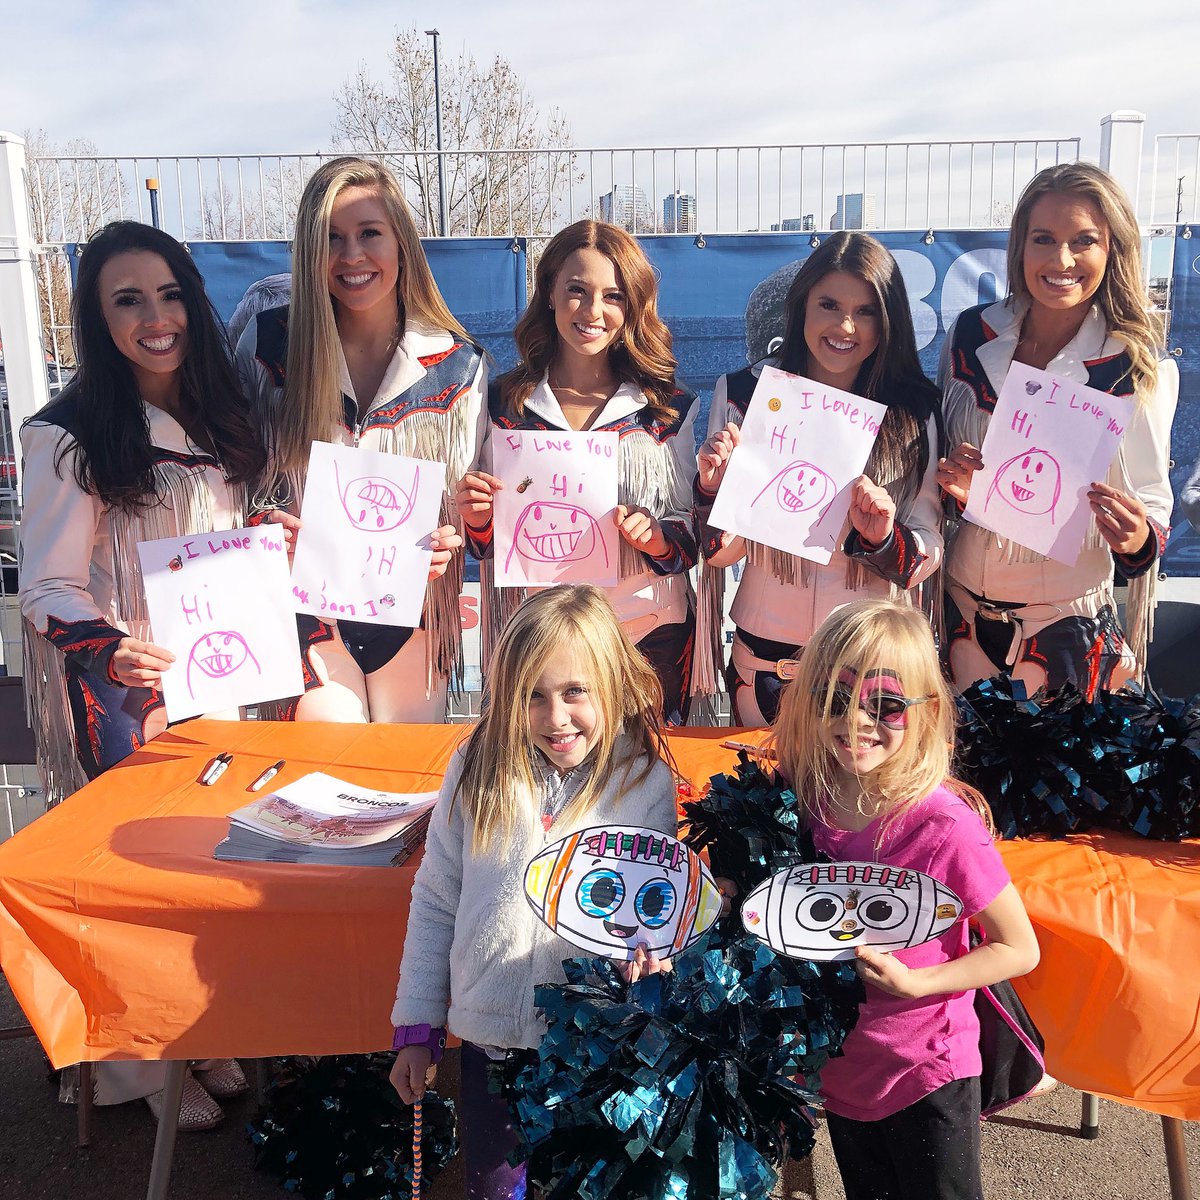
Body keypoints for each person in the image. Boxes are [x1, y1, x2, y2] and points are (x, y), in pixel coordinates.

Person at [18, 220, 258, 1127]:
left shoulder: (218, 412)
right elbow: (46, 582)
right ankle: (135, 1068)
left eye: (168, 295)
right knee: (134, 878)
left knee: (207, 868)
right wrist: (110, 649)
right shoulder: (67, 434)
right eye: (127, 300)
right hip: (126, 687)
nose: (155, 318)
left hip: (219, 677)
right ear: (95, 316)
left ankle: (193, 1036)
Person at [388, 584, 679, 1200]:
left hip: (590, 1045)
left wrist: (649, 957)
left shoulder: (644, 779)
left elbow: (653, 909)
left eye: (576, 692)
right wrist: (418, 1023)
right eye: (534, 696)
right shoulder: (476, 763)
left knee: (590, 1184)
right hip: (488, 1038)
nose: (556, 718)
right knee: (495, 1189)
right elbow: (437, 895)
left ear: (612, 685)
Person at [771, 599, 1040, 1200]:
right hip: (841, 1067)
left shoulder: (943, 825)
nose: (856, 722)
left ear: (926, 710)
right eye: (834, 700)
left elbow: (1019, 948)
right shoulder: (799, 804)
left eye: (884, 704)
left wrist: (920, 983)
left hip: (926, 1068)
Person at [236, 156, 485, 722]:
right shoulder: (269, 344)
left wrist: (454, 537)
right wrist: (263, 526)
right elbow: (234, 475)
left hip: (413, 609)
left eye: (369, 233)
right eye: (331, 239)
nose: (351, 257)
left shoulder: (460, 363)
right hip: (306, 609)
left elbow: (469, 506)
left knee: (408, 779)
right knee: (325, 753)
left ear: (401, 242)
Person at [937, 162, 1178, 697]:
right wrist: (954, 483)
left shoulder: (1137, 363)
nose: (1061, 260)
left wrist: (1136, 537)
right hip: (958, 611)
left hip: (1066, 625)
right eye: (1043, 239)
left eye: (1083, 241)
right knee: (963, 778)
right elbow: (943, 465)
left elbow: (1153, 508)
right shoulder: (971, 333)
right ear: (1020, 245)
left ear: (1112, 248)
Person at [453, 219, 700, 724]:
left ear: (633, 305)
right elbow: (480, 540)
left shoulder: (669, 408)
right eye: (577, 291)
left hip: (646, 632)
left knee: (645, 785)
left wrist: (656, 538)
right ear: (548, 294)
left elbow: (695, 536)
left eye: (613, 296)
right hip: (542, 635)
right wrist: (476, 515)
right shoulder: (501, 400)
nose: (593, 312)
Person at [694, 232, 943, 726]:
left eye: (866, 310)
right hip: (766, 659)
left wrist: (883, 539)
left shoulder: (915, 407)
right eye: (828, 304)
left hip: (870, 654)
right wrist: (715, 494)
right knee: (761, 798)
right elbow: (721, 553)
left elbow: (930, 544)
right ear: (801, 306)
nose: (844, 326)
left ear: (888, 319)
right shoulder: (745, 392)